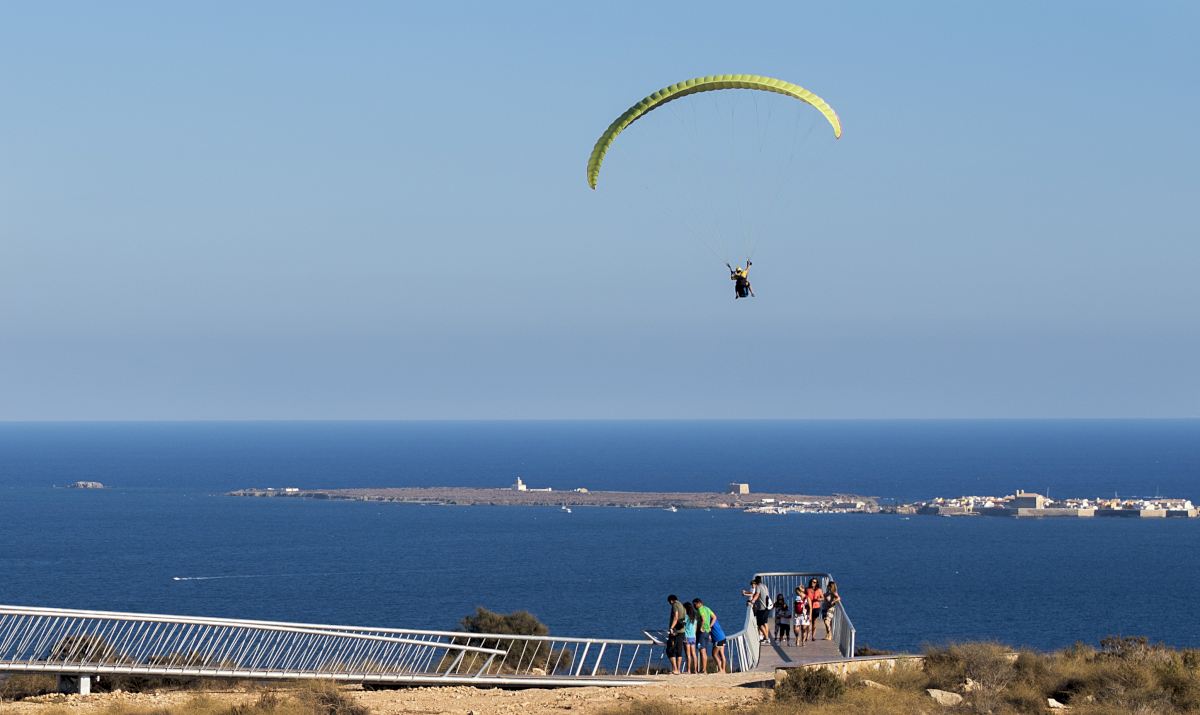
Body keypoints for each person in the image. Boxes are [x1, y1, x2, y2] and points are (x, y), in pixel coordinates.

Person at [742, 576, 771, 643]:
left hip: (761, 608)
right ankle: (766, 638)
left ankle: (767, 638)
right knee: (765, 622)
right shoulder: (764, 586)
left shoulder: (758, 586)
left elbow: (757, 595)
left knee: (760, 624)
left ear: (756, 581)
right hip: (767, 607)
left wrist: (752, 601)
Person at [692, 598, 715, 674]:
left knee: (702, 650)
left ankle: (704, 669)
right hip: (707, 632)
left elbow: (703, 619)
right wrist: (710, 626)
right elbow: (714, 617)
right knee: (704, 650)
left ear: (699, 603)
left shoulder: (700, 609)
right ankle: (704, 669)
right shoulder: (707, 608)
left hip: (702, 632)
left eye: (695, 604)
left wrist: (701, 627)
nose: (694, 606)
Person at [666, 594, 687, 674]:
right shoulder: (682, 605)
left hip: (675, 631)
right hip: (682, 630)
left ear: (671, 600)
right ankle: (678, 669)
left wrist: (671, 628)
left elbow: (676, 617)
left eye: (669, 602)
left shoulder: (675, 605)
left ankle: (674, 669)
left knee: (670, 650)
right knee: (679, 650)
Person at [805, 578, 824, 642]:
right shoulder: (807, 589)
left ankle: (813, 636)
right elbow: (804, 596)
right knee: (808, 621)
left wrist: (819, 599)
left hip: (816, 607)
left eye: (814, 582)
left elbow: (823, 598)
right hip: (808, 607)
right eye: (812, 581)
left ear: (816, 583)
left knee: (814, 622)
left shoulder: (819, 590)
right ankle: (807, 636)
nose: (813, 583)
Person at [682, 602, 699, 673]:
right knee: (694, 654)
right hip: (693, 636)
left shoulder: (686, 617)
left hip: (687, 636)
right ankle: (695, 670)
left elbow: (683, 626)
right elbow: (695, 627)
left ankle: (688, 670)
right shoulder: (695, 617)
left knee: (688, 655)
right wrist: (694, 635)